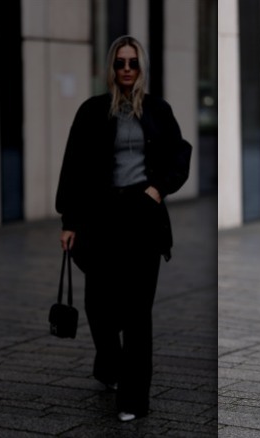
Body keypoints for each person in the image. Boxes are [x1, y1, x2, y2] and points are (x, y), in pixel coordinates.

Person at [55, 35, 191, 422]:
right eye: (120, 63)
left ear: (141, 68)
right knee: (98, 307)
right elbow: (74, 168)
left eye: (133, 63)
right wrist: (69, 221)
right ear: (110, 69)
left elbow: (180, 155)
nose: (127, 69)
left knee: (136, 312)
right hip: (101, 218)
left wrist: (156, 189)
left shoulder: (157, 110)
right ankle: (109, 365)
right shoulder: (92, 111)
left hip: (142, 217)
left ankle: (134, 398)